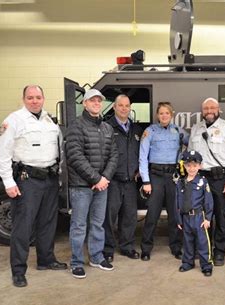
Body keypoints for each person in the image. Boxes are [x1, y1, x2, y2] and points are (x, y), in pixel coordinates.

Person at [0, 85, 67, 288]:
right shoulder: (14, 120)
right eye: (30, 97)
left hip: (50, 179)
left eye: (38, 97)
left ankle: (46, 260)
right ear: (24, 99)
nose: (34, 101)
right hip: (27, 180)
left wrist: (58, 177)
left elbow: (58, 151)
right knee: (23, 227)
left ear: (44, 99)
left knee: (48, 222)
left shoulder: (50, 121)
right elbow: (1, 154)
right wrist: (9, 182)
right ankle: (18, 270)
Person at [66, 89, 118, 279]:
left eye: (99, 101)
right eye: (92, 100)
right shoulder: (76, 126)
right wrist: (96, 179)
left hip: (101, 186)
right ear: (85, 104)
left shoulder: (106, 128)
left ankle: (96, 257)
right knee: (79, 226)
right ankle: (77, 262)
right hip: (81, 187)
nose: (96, 103)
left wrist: (104, 178)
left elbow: (114, 155)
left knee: (97, 224)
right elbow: (75, 156)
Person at [188, 97, 225, 266]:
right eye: (206, 109)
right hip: (201, 178)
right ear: (202, 111)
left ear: (219, 109)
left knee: (220, 216)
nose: (209, 111)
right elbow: (191, 153)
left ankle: (220, 252)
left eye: (212, 108)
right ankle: (205, 248)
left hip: (221, 179)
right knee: (200, 216)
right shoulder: (196, 129)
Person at [139, 102, 189, 261]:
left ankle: (176, 247)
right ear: (157, 115)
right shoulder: (150, 131)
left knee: (175, 214)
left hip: (173, 177)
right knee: (152, 214)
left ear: (171, 114)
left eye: (167, 113)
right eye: (161, 113)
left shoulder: (178, 131)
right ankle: (146, 248)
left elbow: (192, 143)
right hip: (156, 177)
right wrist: (146, 181)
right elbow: (143, 157)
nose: (164, 116)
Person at [102, 95, 143, 263]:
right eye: (120, 105)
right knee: (109, 217)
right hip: (113, 181)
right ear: (114, 107)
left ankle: (127, 247)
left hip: (131, 181)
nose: (124, 108)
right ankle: (108, 249)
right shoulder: (106, 127)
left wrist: (140, 169)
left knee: (129, 216)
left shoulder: (136, 129)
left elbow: (142, 152)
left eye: (127, 105)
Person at [175, 150, 214, 277]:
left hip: (199, 217)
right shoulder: (180, 182)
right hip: (186, 217)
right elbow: (177, 202)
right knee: (187, 242)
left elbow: (208, 201)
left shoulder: (203, 181)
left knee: (203, 242)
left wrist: (208, 218)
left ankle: (206, 265)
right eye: (189, 165)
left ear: (200, 166)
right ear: (184, 166)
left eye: (195, 165)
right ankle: (187, 263)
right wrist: (179, 219)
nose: (192, 168)